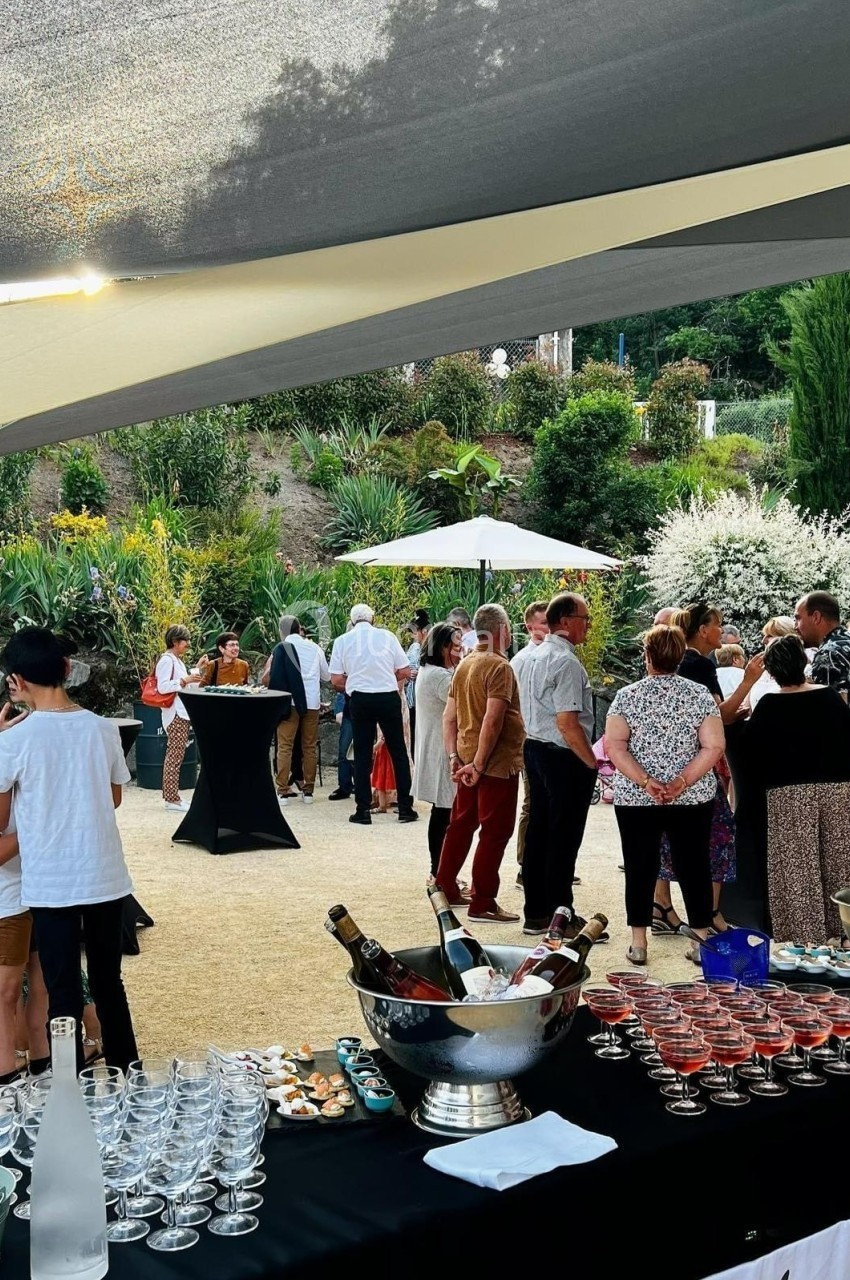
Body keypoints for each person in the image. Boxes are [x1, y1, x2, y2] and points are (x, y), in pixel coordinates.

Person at [0, 628, 137, 1073]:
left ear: (15, 681)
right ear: (64, 671)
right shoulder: (102, 729)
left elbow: (1, 819)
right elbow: (113, 798)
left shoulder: (14, 740)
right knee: (108, 982)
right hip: (104, 875)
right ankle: (128, 1075)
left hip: (51, 883)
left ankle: (69, 1091)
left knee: (62, 992)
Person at [606, 625, 724, 966]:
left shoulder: (627, 696)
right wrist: (682, 782)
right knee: (694, 863)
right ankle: (700, 940)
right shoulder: (700, 695)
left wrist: (646, 782)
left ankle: (639, 941)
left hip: (638, 797)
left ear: (647, 656)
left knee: (640, 864)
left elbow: (615, 746)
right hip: (691, 797)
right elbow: (714, 745)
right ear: (679, 657)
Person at [652, 602, 764, 941]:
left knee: (665, 833)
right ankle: (711, 912)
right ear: (702, 629)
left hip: (664, 764)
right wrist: (748, 683)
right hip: (697, 765)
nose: (722, 629)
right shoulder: (699, 665)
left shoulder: (678, 665)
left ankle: (661, 905)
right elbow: (720, 717)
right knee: (719, 833)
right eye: (718, 624)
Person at [737, 635, 850, 944]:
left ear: (771, 671)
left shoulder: (770, 706)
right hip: (837, 791)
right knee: (839, 860)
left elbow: (750, 753)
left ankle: (804, 937)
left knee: (798, 867)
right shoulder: (829, 697)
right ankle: (844, 931)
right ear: (803, 662)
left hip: (789, 796)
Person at [434, 603, 523, 924]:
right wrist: (481, 764)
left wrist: (456, 758)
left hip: (466, 758)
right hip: (494, 764)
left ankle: (445, 885)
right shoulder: (500, 668)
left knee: (461, 824)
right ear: (501, 631)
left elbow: (449, 718)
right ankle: (483, 901)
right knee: (495, 832)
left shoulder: (465, 664)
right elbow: (493, 720)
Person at [517, 593, 600, 936]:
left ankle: (536, 912)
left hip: (535, 748)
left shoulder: (530, 656)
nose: (588, 625)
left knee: (539, 831)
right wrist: (591, 761)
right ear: (565, 621)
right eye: (584, 618)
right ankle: (560, 916)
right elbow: (568, 722)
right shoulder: (565, 663)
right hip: (562, 754)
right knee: (563, 837)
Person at [329, 605, 416, 825]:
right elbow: (405, 671)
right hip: (387, 696)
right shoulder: (387, 636)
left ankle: (362, 810)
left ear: (351, 621)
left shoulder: (342, 641)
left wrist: (359, 681)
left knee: (362, 753)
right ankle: (406, 807)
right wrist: (384, 676)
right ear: (373, 619)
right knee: (398, 752)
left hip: (360, 698)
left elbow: (336, 680)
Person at [413, 622, 463, 880]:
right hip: (442, 750)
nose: (461, 650)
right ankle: (439, 873)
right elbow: (464, 707)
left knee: (442, 812)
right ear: (444, 647)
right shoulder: (441, 677)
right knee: (444, 814)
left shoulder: (429, 671)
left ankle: (440, 871)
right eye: (456, 646)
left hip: (435, 747)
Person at [264, 615, 330, 805]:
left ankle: (283, 791)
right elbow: (326, 676)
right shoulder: (315, 647)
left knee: (285, 746)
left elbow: (271, 677)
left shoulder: (281, 648)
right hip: (311, 702)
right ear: (299, 628)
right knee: (309, 746)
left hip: (288, 702)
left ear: (281, 630)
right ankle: (308, 791)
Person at [510, 600, 549, 888]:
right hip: (530, 739)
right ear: (529, 626)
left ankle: (547, 860)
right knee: (532, 802)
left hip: (547, 739)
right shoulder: (522, 660)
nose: (549, 628)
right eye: (544, 623)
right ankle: (526, 864)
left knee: (546, 802)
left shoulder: (553, 655)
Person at [155, 624, 201, 812]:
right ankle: (171, 798)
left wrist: (197, 670)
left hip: (181, 712)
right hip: (175, 713)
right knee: (174, 755)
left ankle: (172, 797)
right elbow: (162, 687)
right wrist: (184, 680)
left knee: (176, 755)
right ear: (175, 642)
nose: (188, 644)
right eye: (185, 641)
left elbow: (189, 687)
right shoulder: (167, 660)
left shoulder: (177, 661)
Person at [795, 591, 850, 697]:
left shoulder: (828, 655)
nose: (795, 626)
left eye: (798, 618)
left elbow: (827, 709)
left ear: (816, 617)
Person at [747, 616, 797, 711]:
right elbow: (747, 708)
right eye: (764, 635)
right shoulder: (760, 672)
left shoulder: (804, 671)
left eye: (770, 636)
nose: (763, 641)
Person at [404, 609, 430, 759]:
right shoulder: (414, 648)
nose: (413, 636)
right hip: (412, 695)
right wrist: (408, 673)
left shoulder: (431, 648)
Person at [328, 690, 353, 801]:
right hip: (349, 707)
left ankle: (363, 785)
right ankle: (344, 786)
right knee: (344, 750)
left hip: (366, 702)